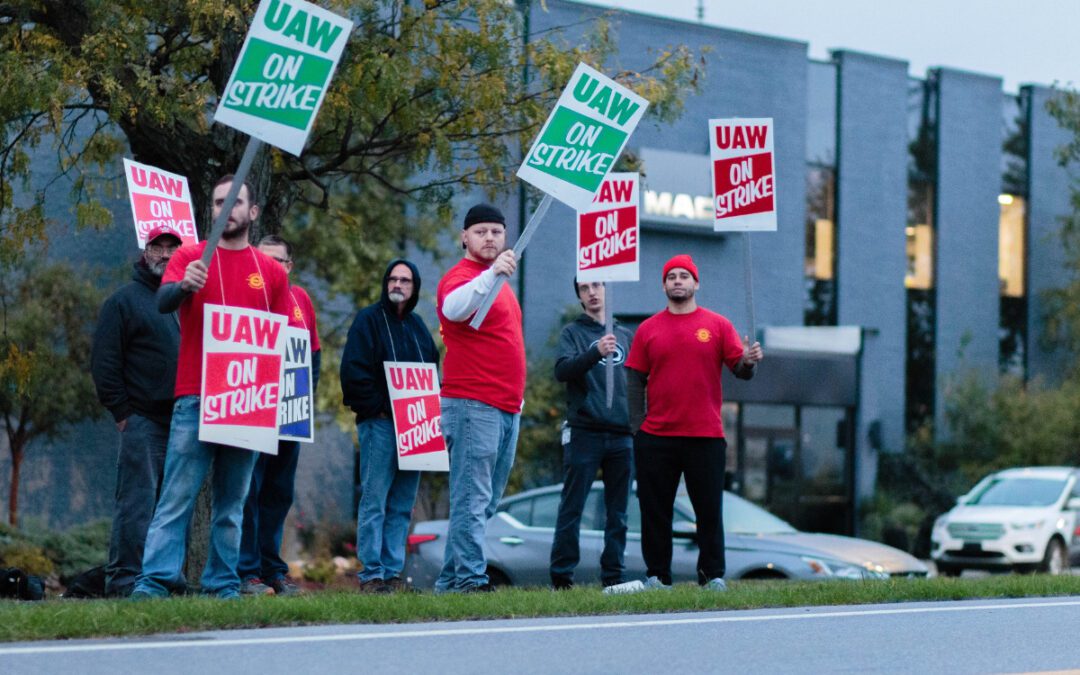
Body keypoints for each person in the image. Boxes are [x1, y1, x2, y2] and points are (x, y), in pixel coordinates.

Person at [131, 175, 292, 599]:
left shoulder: (272, 272)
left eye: (236, 202)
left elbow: (277, 342)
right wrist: (184, 285)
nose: (227, 209)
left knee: (232, 504)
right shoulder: (190, 256)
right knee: (176, 498)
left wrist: (270, 404)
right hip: (197, 395)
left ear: (252, 212)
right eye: (219, 201)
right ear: (211, 210)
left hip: (247, 399)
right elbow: (162, 302)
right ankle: (155, 582)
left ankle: (222, 583)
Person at [622, 254, 763, 592]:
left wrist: (749, 362)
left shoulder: (717, 325)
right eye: (671, 277)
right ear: (664, 286)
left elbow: (741, 371)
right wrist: (637, 429)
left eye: (684, 276)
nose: (678, 281)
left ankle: (712, 576)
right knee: (655, 511)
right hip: (656, 437)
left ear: (696, 283)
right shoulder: (649, 329)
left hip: (705, 436)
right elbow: (634, 379)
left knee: (708, 510)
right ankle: (658, 577)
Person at [434, 203, 525, 593]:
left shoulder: (499, 284)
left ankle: (452, 581)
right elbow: (453, 310)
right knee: (472, 499)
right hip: (473, 404)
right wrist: (491, 274)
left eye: (497, 232)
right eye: (481, 231)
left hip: (506, 407)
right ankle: (470, 579)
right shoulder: (461, 277)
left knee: (484, 503)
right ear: (465, 238)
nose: (490, 238)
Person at [90, 225, 182, 597]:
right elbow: (104, 363)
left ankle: (163, 580)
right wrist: (123, 412)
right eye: (156, 247)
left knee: (172, 507)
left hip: (184, 421)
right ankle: (125, 582)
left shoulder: (188, 301)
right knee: (137, 504)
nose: (163, 254)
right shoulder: (123, 301)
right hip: (142, 420)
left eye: (171, 247)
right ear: (145, 252)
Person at [340, 258, 439, 593]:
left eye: (405, 281)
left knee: (401, 505)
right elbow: (353, 373)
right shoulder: (368, 320)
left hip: (416, 431)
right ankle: (372, 573)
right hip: (380, 427)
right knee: (374, 500)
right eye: (393, 280)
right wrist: (380, 409)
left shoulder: (418, 327)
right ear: (386, 284)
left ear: (414, 288)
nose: (398, 285)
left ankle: (393, 573)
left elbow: (431, 374)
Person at [238, 235, 321, 596]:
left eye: (279, 261)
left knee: (278, 494)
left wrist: (305, 397)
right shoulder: (245, 293)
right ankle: (246, 571)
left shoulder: (300, 298)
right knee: (248, 493)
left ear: (290, 266)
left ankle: (273, 569)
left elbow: (312, 353)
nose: (272, 267)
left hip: (290, 415)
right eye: (264, 259)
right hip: (253, 409)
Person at [549, 279, 634, 590]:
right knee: (572, 506)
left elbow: (640, 381)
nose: (592, 292)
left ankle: (613, 577)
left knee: (619, 511)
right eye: (585, 288)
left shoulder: (625, 334)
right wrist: (595, 352)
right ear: (579, 295)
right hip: (585, 430)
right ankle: (561, 579)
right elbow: (561, 371)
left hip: (622, 434)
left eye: (597, 285)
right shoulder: (573, 333)